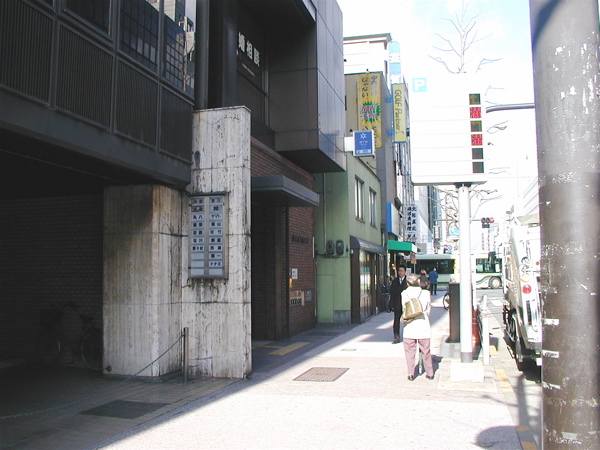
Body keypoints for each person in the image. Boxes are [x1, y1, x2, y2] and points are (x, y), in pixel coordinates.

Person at [401, 273, 435, 381]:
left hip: (410, 325)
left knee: (409, 351)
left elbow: (404, 309)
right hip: (423, 324)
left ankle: (411, 373)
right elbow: (428, 309)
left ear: (408, 283)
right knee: (426, 350)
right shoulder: (426, 293)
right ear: (419, 281)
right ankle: (430, 372)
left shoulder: (404, 293)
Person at [389, 264, 408, 344]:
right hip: (397, 304)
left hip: (406, 305)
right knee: (396, 320)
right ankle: (396, 336)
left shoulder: (408, 282)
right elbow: (392, 293)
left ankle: (408, 336)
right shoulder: (395, 281)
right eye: (399, 271)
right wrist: (391, 304)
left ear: (405, 272)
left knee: (407, 320)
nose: (400, 272)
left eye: (402, 271)